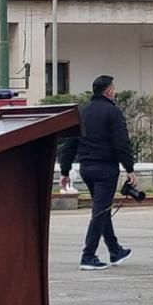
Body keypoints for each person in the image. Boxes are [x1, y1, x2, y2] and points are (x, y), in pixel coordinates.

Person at [58, 75, 137, 270]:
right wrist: (129, 168)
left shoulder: (82, 113)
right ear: (109, 91)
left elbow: (69, 144)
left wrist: (65, 170)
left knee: (102, 209)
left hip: (86, 168)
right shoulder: (113, 112)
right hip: (105, 169)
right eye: (114, 89)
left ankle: (114, 250)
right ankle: (88, 255)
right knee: (100, 211)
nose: (115, 92)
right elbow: (121, 143)